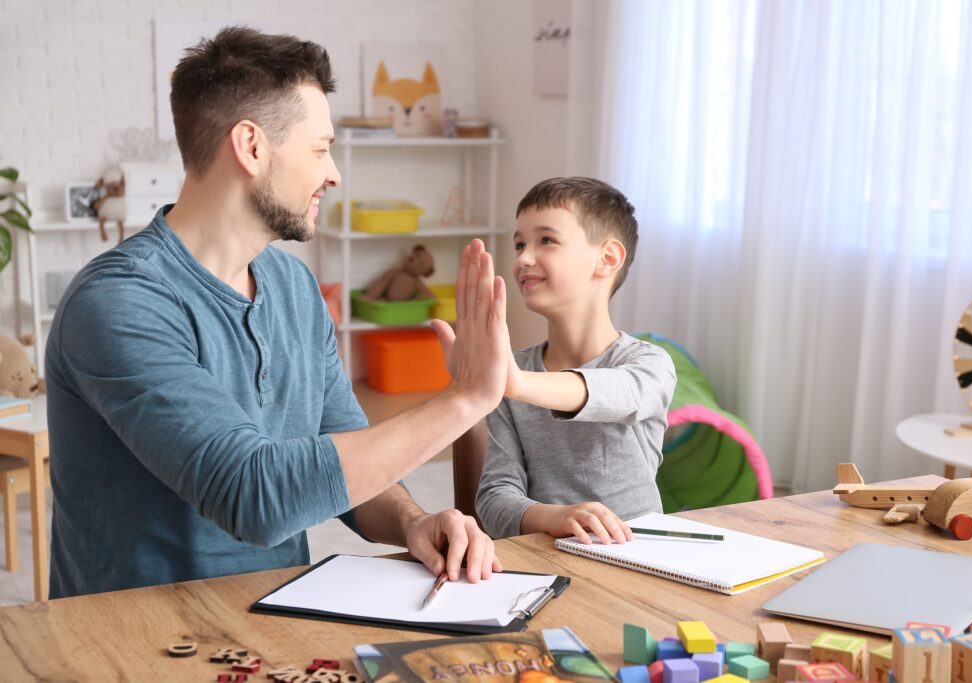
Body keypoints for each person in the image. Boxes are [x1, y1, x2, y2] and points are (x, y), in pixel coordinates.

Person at [45, 27, 510, 599]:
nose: (334, 172)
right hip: (135, 641)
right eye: (320, 149)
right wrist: (466, 398)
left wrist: (412, 522)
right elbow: (254, 496)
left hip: (271, 618)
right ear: (252, 146)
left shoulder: (293, 285)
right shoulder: (119, 301)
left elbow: (348, 463)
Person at [469, 177, 676, 543]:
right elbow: (494, 499)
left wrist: (516, 383)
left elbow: (620, 396)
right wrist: (556, 517)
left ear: (607, 258)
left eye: (546, 240)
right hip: (542, 556)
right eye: (519, 244)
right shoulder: (512, 376)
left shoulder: (648, 363)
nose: (523, 258)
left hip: (639, 559)